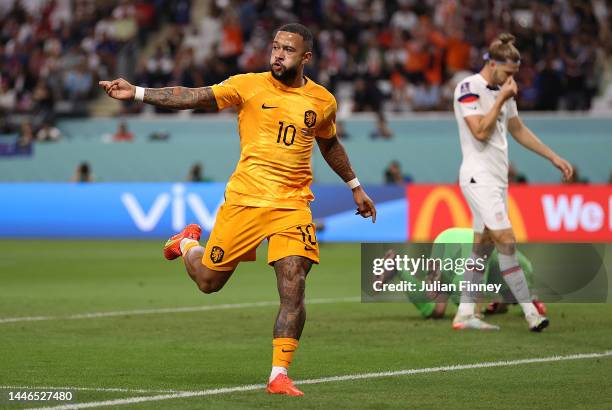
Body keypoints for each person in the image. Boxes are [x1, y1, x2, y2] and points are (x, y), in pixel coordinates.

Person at [99, 23, 376, 397]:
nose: (278, 54)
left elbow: (329, 144)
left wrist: (354, 186)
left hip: (292, 204)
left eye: (288, 50)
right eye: (275, 47)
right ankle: (185, 244)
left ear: (306, 57)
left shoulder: (322, 101)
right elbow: (192, 96)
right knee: (208, 282)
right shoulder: (247, 85)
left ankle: (279, 374)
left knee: (293, 285)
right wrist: (138, 93)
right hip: (245, 200)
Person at [452, 33, 573, 331]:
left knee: (482, 247)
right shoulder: (469, 88)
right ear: (492, 64)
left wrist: (552, 157)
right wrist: (502, 98)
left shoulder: (502, 90)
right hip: (477, 177)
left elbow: (517, 129)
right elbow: (480, 131)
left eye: (515, 75)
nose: (511, 80)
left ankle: (465, 314)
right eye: (508, 73)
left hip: (496, 180)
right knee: (507, 239)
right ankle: (532, 313)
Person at [379, 228, 545, 322]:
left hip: (446, 238)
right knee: (470, 303)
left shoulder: (508, 273)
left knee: (436, 310)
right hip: (469, 245)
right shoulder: (523, 269)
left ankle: (398, 266)